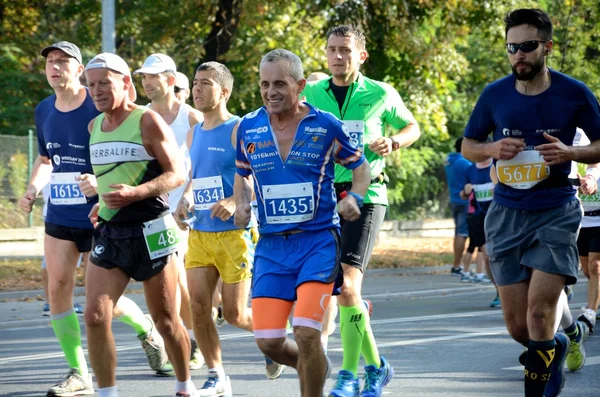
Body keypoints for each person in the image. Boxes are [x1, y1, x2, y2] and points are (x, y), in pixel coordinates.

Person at [461, 9, 600, 397]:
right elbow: (468, 146)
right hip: (506, 214)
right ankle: (555, 346)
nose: (518, 54)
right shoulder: (494, 94)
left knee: (539, 314)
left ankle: (539, 383)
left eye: (527, 46)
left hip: (556, 210)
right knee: (520, 327)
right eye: (512, 47)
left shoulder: (574, 92)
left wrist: (571, 154)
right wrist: (491, 147)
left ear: (547, 47)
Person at [20, 42, 165, 396]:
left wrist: (99, 185)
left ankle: (145, 326)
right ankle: (78, 372)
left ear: (79, 68)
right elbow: (45, 159)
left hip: (102, 213)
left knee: (101, 303)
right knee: (56, 287)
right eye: (50, 62)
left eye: (63, 61)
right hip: (60, 214)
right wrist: (32, 189)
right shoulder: (43, 110)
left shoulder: (96, 102)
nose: (55, 67)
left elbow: (127, 156)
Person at [234, 48, 371, 397]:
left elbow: (360, 166)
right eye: (264, 84)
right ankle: (316, 365)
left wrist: (354, 197)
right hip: (271, 248)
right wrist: (240, 203)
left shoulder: (325, 124)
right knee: (268, 342)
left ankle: (312, 379)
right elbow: (242, 173)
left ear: (299, 85)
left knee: (307, 333)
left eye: (279, 83)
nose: (270, 92)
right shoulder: (248, 126)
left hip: (317, 242)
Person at [302, 25, 420, 397]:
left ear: (361, 56)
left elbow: (412, 126)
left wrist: (394, 140)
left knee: (349, 285)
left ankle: (349, 376)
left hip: (367, 193)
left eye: (346, 51)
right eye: (332, 50)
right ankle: (378, 367)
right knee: (343, 293)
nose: (338, 56)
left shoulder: (381, 92)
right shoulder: (311, 93)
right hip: (324, 198)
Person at [83, 52, 195, 397]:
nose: (97, 91)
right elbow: (109, 177)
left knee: (166, 322)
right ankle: (107, 393)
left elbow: (177, 173)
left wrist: (136, 193)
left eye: (105, 83)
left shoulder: (147, 121)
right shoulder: (93, 127)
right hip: (111, 232)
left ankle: (184, 384)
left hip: (153, 230)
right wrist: (101, 202)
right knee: (96, 317)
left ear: (125, 83)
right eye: (91, 85)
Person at [134, 53, 205, 372]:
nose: (147, 82)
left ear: (171, 79)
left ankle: (191, 341)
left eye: (153, 76)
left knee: (178, 278)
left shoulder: (190, 117)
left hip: (184, 211)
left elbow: (204, 163)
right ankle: (187, 338)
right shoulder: (142, 117)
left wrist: (187, 197)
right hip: (152, 211)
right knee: (172, 281)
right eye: (144, 77)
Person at [571, 129, 600, 333]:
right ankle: (596, 299)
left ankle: (590, 311)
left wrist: (590, 181)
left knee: (596, 265)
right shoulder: (569, 145)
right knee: (587, 270)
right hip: (581, 219)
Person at [445, 137, 472, 275]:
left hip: (454, 200)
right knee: (462, 233)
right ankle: (457, 266)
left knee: (458, 232)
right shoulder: (464, 163)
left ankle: (457, 264)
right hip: (465, 201)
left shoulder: (450, 161)